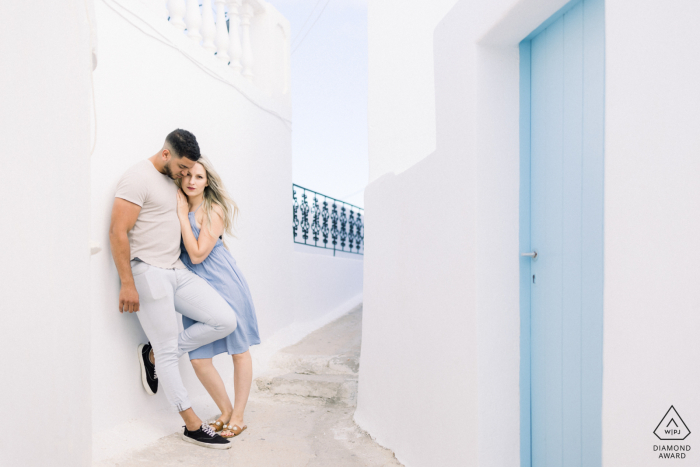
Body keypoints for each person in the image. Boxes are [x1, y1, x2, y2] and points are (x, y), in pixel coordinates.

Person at [109, 129, 235, 450]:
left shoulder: (171, 179)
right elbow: (117, 231)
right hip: (148, 271)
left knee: (224, 320)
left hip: (175, 270)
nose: (185, 175)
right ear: (166, 155)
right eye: (182, 168)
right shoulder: (137, 178)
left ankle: (152, 354)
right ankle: (192, 425)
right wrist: (127, 282)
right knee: (169, 350)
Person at [175, 155, 261, 439]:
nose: (191, 181)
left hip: (223, 282)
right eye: (187, 175)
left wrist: (181, 218)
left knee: (239, 351)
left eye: (198, 176)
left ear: (207, 181)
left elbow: (198, 254)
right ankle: (224, 411)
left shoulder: (214, 209)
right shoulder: (177, 202)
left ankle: (238, 416)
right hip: (196, 288)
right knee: (198, 358)